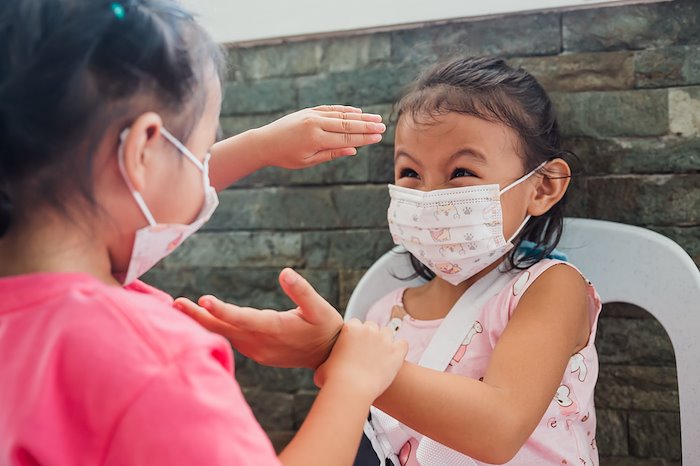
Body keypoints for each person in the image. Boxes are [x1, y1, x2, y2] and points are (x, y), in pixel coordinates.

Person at [0, 1, 409, 465]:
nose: (203, 169)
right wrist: (352, 384)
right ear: (143, 151)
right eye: (201, 148)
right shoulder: (151, 364)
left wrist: (260, 146)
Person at [177, 57, 603, 465]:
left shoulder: (550, 288)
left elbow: (500, 428)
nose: (429, 195)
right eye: (411, 174)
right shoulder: (386, 313)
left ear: (543, 187)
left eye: (461, 173)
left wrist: (335, 351)